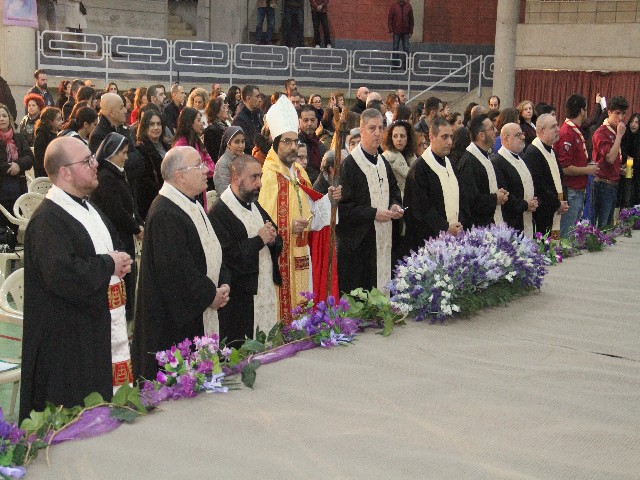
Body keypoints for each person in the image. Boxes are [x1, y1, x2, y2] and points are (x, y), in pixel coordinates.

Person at [20, 136, 133, 422]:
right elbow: (62, 274)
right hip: (67, 341)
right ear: (65, 172)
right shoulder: (48, 219)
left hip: (96, 328)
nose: (96, 164)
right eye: (87, 161)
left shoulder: (88, 208)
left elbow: (112, 245)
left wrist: (120, 259)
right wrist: (110, 263)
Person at [131, 146, 230, 381]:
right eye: (199, 166)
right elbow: (177, 271)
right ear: (180, 176)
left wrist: (223, 282)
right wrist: (209, 295)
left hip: (203, 301)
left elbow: (213, 249)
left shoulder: (191, 203)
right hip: (173, 321)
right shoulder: (166, 212)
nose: (206, 170)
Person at [258, 96, 341, 324]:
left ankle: (301, 327)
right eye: (287, 141)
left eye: (295, 141)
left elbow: (313, 211)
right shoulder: (268, 178)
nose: (293, 146)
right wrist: (287, 225)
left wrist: (329, 200)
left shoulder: (300, 174)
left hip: (302, 251)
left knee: (303, 303)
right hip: (282, 255)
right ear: (276, 143)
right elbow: (261, 222)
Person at [209, 154, 282, 343]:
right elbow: (227, 257)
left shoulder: (254, 204)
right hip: (241, 298)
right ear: (235, 178)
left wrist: (273, 239)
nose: (259, 183)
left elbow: (272, 233)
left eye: (260, 176)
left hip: (263, 287)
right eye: (253, 178)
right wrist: (259, 240)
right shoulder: (220, 211)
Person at [337, 108, 403, 294]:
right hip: (361, 244)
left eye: (380, 128)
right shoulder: (350, 166)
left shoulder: (382, 162)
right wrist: (374, 213)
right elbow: (344, 208)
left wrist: (395, 205)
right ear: (361, 130)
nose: (377, 133)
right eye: (372, 128)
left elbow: (394, 190)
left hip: (383, 237)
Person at [91, 133, 144, 322]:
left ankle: (128, 310)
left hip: (123, 232)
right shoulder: (106, 177)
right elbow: (116, 210)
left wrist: (138, 221)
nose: (126, 157)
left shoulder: (117, 173)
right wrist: (136, 228)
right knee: (121, 275)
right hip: (115, 234)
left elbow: (129, 203)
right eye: (122, 152)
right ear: (111, 153)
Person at [404, 117, 461, 251]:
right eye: (444, 137)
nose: (450, 142)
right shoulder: (420, 169)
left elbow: (461, 198)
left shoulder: (450, 164)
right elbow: (421, 208)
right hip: (429, 239)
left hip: (455, 235)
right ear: (432, 137)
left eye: (451, 137)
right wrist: (445, 227)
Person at [553, 94, 598, 237]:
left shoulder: (575, 130)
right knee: (565, 232)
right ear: (581, 111)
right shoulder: (567, 133)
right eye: (585, 109)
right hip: (571, 190)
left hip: (578, 189)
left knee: (571, 231)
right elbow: (565, 168)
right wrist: (588, 169)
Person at [522, 114, 569, 238]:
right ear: (542, 131)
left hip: (555, 209)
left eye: (557, 125)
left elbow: (560, 178)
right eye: (553, 127)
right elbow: (539, 187)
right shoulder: (533, 153)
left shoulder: (551, 150)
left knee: (553, 248)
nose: (558, 129)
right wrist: (556, 204)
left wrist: (564, 200)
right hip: (542, 213)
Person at [459, 114, 507, 229]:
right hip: (478, 228)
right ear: (481, 135)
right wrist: (495, 198)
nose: (495, 131)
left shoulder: (484, 155)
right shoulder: (469, 161)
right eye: (491, 128)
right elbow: (471, 201)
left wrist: (498, 193)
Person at [493, 123, 538, 236]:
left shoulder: (521, 158)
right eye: (518, 135)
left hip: (527, 217)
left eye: (522, 133)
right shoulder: (498, 162)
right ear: (506, 138)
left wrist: (534, 202)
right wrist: (524, 205)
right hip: (511, 222)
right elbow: (505, 193)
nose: (523, 137)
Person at [591, 95, 628, 228]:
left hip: (614, 183)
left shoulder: (613, 131)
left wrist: (620, 169)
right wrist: (619, 135)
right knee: (601, 226)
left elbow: (614, 160)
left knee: (609, 225)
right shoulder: (601, 132)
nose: (621, 118)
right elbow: (610, 158)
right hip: (602, 184)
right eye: (617, 113)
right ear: (609, 112)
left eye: (623, 114)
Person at [0, 103, 34, 231]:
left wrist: (18, 165)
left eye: (4, 115)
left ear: (9, 118)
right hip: (2, 188)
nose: (2, 119)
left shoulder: (18, 137)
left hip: (18, 188)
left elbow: (30, 157)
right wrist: (10, 168)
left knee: (14, 228)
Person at [134, 107, 170, 221]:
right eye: (151, 124)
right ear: (145, 127)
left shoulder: (166, 146)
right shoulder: (140, 149)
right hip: (153, 202)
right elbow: (144, 181)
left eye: (159, 124)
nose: (156, 127)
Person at [173, 107, 215, 200]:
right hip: (187, 193)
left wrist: (200, 169)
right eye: (198, 120)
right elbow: (184, 173)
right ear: (190, 122)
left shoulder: (197, 142)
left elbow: (212, 165)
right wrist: (202, 168)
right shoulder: (180, 146)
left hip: (200, 191)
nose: (202, 123)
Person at [298, 104, 325, 184]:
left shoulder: (320, 145)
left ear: (317, 121)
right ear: (300, 121)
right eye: (306, 120)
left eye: (312, 120)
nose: (309, 123)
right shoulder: (296, 144)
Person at [213, 126, 245, 195]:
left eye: (243, 141)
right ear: (228, 144)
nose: (241, 145)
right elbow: (224, 191)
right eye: (237, 142)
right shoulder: (223, 163)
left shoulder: (245, 159)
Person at [33, 106, 63, 177]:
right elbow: (40, 160)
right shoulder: (41, 137)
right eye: (58, 120)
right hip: (47, 175)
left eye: (61, 119)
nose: (61, 122)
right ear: (50, 121)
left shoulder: (59, 134)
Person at [232, 85, 262, 156]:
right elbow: (246, 145)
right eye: (257, 97)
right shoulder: (239, 120)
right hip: (249, 159)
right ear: (249, 98)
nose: (260, 99)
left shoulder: (257, 114)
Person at [203, 97, 230, 162]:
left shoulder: (224, 126)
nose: (227, 110)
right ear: (216, 111)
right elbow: (215, 155)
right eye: (224, 108)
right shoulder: (211, 131)